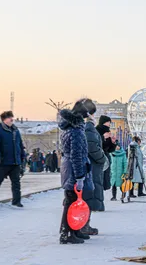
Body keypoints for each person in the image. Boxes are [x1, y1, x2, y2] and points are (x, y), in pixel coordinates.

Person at [59, 98, 95, 244]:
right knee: (71, 201)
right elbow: (76, 156)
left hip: (71, 168)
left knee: (73, 200)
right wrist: (80, 176)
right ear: (85, 113)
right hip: (73, 170)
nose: (92, 117)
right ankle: (66, 233)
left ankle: (74, 230)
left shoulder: (73, 127)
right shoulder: (75, 130)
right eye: (91, 113)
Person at [0, 111, 26, 207]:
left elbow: (20, 145)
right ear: (4, 119)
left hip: (15, 162)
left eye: (12, 118)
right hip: (4, 161)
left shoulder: (16, 131)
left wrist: (22, 157)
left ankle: (17, 201)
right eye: (10, 118)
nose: (12, 120)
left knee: (16, 183)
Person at [83, 104, 107, 216]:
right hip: (93, 164)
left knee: (94, 185)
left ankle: (95, 205)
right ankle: (94, 206)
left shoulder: (89, 129)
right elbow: (92, 147)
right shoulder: (89, 129)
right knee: (93, 185)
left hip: (92, 164)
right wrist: (102, 158)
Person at [96, 115, 116, 192]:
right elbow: (95, 144)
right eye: (108, 122)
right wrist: (103, 137)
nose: (109, 124)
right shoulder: (97, 130)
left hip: (106, 157)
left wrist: (113, 142)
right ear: (103, 122)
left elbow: (110, 149)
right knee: (99, 179)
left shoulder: (108, 131)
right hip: (99, 157)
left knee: (105, 178)